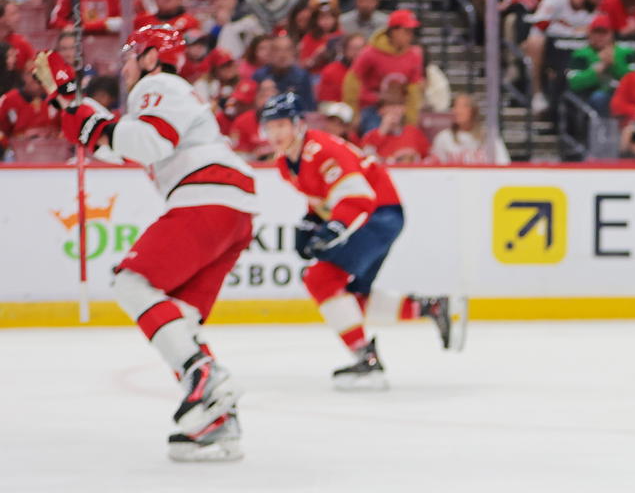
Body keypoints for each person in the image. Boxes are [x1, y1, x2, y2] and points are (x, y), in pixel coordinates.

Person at [30, 25, 256, 460]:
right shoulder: (166, 95)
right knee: (180, 319)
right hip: (229, 206)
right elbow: (120, 143)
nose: (126, 63)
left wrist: (85, 115)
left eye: (134, 54)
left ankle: (203, 377)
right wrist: (68, 103)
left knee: (131, 283)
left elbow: (148, 142)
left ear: (154, 57)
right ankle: (217, 420)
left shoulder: (159, 84)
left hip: (206, 196)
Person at [259, 92, 464, 390]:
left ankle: (365, 358)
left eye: (281, 125)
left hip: (377, 215)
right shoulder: (286, 162)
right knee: (352, 299)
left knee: (320, 279)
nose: (276, 134)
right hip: (377, 216)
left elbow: (357, 198)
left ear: (298, 124)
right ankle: (430, 308)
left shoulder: (321, 149)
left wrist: (332, 229)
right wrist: (312, 220)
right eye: (270, 127)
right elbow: (327, 196)